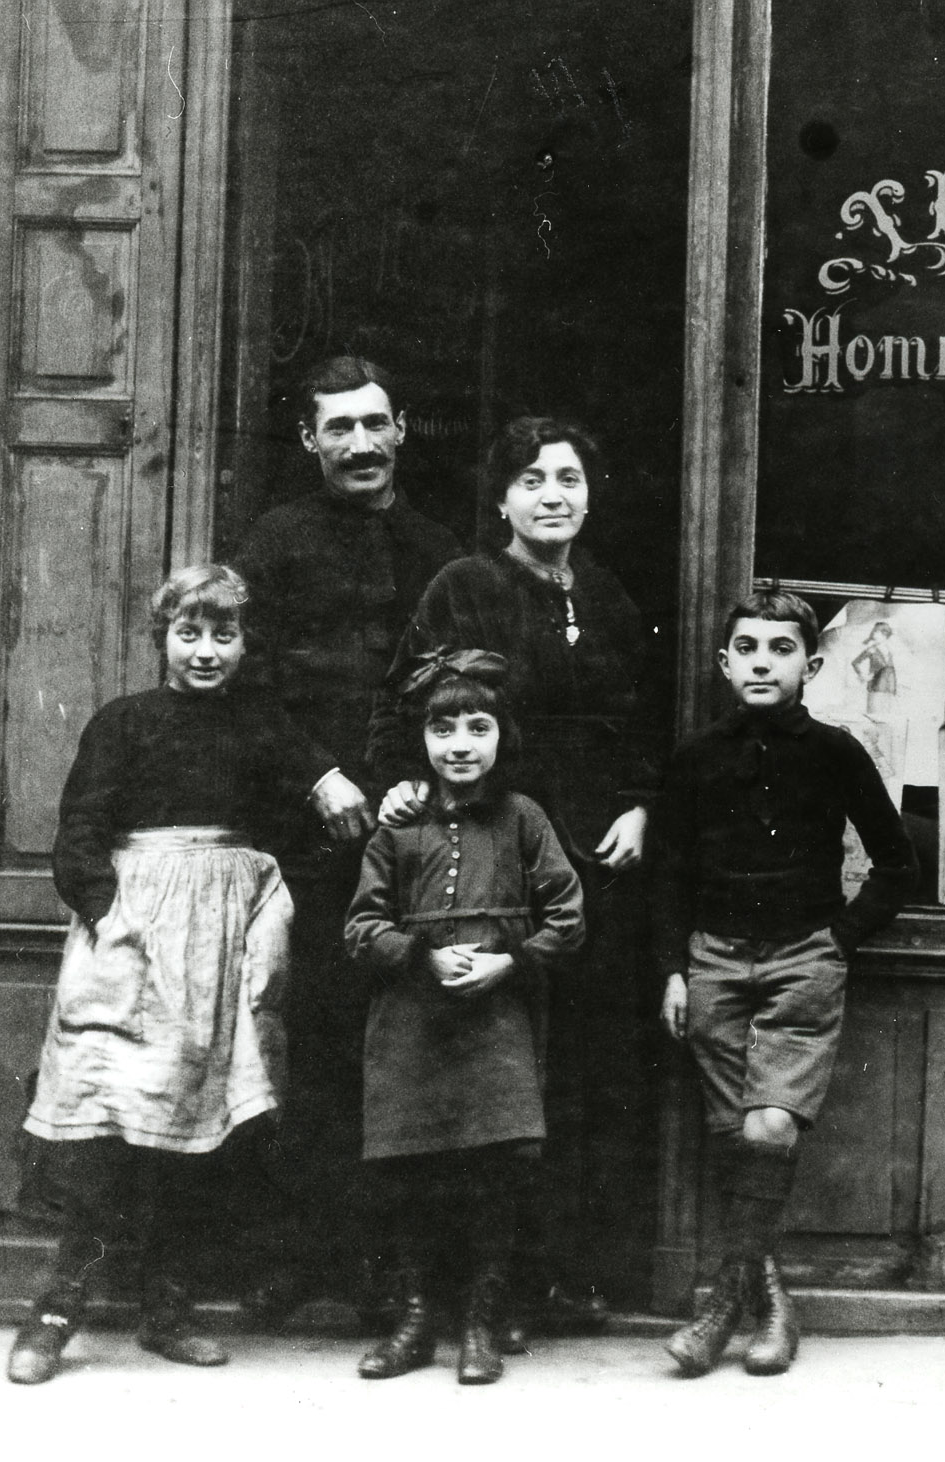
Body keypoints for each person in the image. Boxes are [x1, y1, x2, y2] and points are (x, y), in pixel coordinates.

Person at [5, 565, 370, 1385]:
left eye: (224, 635)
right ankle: (56, 1312)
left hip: (220, 942)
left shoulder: (259, 724)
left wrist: (329, 780)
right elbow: (80, 832)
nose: (206, 652)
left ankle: (167, 1309)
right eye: (189, 634)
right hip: (133, 935)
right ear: (162, 639)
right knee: (104, 1122)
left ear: (244, 644)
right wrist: (110, 917)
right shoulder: (123, 723)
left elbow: (315, 780)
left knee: (195, 1129)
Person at [368, 416, 664, 1335]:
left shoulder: (607, 594)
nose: (553, 496)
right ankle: (455, 1292)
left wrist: (639, 802)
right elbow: (420, 708)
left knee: (571, 1069)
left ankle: (546, 1279)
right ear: (500, 498)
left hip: (593, 855)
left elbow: (643, 717)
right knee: (479, 1066)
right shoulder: (468, 585)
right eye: (531, 480)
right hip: (498, 844)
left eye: (569, 478)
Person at [232, 356, 462, 1317]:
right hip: (304, 830)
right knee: (308, 1039)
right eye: (340, 429)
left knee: (402, 1041)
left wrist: (415, 777)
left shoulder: (439, 549)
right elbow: (239, 678)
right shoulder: (275, 544)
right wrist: (317, 775)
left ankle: (392, 1270)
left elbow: (458, 683)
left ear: (402, 429)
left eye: (376, 424)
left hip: (412, 830)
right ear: (309, 441)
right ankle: (297, 1256)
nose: (361, 444)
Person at [652, 588, 918, 1377]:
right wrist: (673, 968)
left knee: (769, 1130)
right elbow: (666, 873)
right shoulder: (697, 756)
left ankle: (724, 1304)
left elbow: (897, 863)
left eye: (781, 649)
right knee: (736, 1136)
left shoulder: (835, 752)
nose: (763, 662)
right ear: (724, 661)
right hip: (714, 962)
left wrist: (837, 939)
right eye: (749, 649)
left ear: (813, 663)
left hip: (803, 958)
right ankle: (771, 1302)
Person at [344, 651, 585, 1385]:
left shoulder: (523, 820)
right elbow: (360, 927)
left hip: (499, 1020)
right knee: (411, 1168)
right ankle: (417, 1321)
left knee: (495, 1167)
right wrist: (419, 955)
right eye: (442, 727)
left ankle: (480, 1320)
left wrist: (508, 960)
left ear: (501, 737)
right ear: (421, 740)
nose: (459, 743)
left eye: (477, 727)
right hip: (411, 1019)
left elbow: (568, 917)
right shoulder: (400, 829)